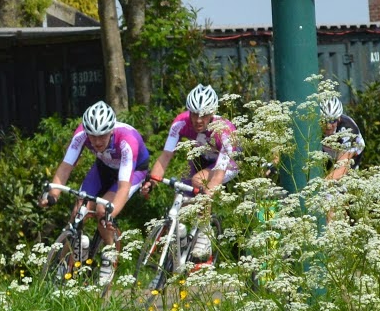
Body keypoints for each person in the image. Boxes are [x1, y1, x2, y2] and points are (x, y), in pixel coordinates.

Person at [44, 100, 148, 281]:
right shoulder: (81, 135)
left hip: (133, 171)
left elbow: (123, 187)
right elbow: (65, 167)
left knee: (102, 211)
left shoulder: (126, 141)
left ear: (111, 130)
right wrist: (53, 194)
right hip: (104, 166)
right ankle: (62, 266)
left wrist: (110, 214)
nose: (97, 141)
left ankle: (110, 255)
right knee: (78, 211)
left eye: (102, 136)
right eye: (92, 136)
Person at [148, 83, 240, 260]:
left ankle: (205, 232)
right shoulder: (180, 123)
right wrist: (151, 180)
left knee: (199, 181)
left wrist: (207, 194)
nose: (198, 120)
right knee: (181, 197)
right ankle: (182, 241)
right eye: (195, 114)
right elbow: (166, 155)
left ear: (212, 114)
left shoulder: (224, 130)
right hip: (202, 158)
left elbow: (219, 171)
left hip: (227, 162)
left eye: (204, 115)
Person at [318, 94, 364, 182]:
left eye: (332, 121)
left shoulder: (348, 129)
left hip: (348, 158)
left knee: (339, 188)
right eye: (324, 121)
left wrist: (321, 186)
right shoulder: (313, 124)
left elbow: (342, 169)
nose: (328, 126)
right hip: (327, 156)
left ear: (338, 118)